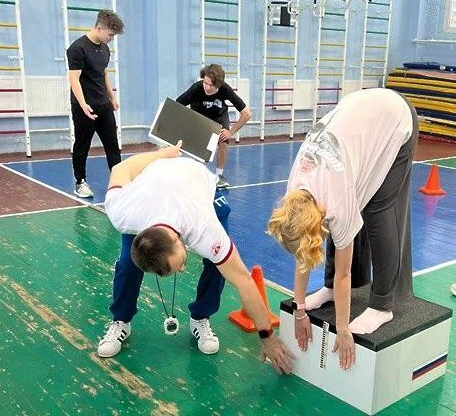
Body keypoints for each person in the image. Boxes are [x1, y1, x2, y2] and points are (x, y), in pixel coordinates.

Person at [98, 140, 293, 375]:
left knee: (218, 263)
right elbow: (120, 168)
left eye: (178, 264)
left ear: (176, 238)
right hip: (148, 189)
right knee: (128, 262)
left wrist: (267, 337)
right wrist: (162, 154)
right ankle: (121, 320)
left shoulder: (203, 228)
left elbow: (244, 280)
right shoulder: (122, 212)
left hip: (197, 183)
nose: (182, 270)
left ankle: (200, 317)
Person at [267, 88, 419, 370]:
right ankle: (327, 289)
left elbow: (344, 273)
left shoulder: (337, 199)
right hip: (362, 115)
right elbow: (304, 252)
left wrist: (344, 328)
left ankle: (381, 305)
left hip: (395, 118)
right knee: (344, 222)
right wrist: (299, 309)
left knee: (377, 211)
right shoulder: (295, 196)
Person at [66, 10, 124, 198]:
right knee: (82, 145)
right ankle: (80, 182)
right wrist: (83, 105)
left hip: (103, 105)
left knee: (112, 145)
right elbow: (74, 80)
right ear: (99, 28)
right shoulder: (77, 48)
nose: (112, 39)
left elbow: (104, 73)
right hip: (84, 107)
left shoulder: (105, 49)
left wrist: (112, 96)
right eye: (110, 35)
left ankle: (118, 182)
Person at [176, 64, 252, 189]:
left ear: (219, 85)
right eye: (205, 83)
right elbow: (176, 106)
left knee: (224, 141)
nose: (207, 87)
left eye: (211, 85)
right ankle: (197, 174)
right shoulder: (196, 89)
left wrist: (231, 132)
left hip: (218, 117)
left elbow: (247, 114)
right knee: (202, 157)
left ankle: (218, 176)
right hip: (200, 119)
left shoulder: (225, 89)